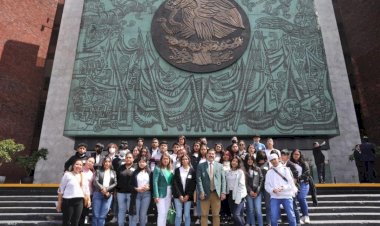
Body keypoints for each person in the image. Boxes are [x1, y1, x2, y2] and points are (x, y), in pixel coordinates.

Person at [265, 153, 297, 226]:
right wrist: (273, 190)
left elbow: (291, 184)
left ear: (278, 159)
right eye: (271, 160)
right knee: (273, 217)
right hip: (274, 197)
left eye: (274, 159)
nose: (273, 161)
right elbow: (266, 186)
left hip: (287, 196)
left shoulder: (286, 169)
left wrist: (283, 188)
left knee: (291, 216)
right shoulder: (269, 172)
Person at [196, 148, 226, 226]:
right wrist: (201, 192)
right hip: (205, 193)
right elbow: (199, 180)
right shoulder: (200, 166)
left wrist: (223, 192)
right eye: (209, 153)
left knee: (216, 215)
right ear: (206, 155)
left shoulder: (220, 166)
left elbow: (223, 180)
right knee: (204, 215)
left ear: (215, 155)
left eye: (213, 154)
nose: (211, 155)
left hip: (216, 194)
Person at [57, 159, 91, 226]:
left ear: (82, 167)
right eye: (77, 164)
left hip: (79, 201)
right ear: (73, 165)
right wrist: (59, 203)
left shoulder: (83, 175)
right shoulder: (67, 174)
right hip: (68, 201)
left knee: (75, 222)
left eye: (80, 165)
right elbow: (61, 190)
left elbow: (86, 189)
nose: (78, 166)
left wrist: (89, 199)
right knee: (66, 221)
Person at [92, 156, 118, 226]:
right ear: (103, 162)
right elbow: (95, 181)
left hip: (108, 195)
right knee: (96, 215)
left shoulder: (113, 172)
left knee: (102, 216)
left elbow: (115, 183)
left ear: (111, 163)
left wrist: (106, 189)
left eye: (109, 162)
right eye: (105, 161)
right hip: (98, 194)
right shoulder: (98, 170)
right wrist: (102, 188)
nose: (107, 163)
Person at [173, 154, 197, 226]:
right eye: (183, 159)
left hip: (188, 196)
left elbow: (193, 184)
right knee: (178, 215)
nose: (184, 160)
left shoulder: (192, 171)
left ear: (189, 160)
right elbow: (175, 184)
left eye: (186, 159)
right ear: (181, 161)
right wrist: (180, 195)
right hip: (178, 196)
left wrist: (188, 195)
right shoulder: (177, 170)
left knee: (187, 215)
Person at [129, 157, 152, 226]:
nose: (141, 163)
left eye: (143, 162)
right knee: (135, 214)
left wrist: (149, 187)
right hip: (137, 195)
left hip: (146, 195)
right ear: (138, 163)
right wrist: (136, 188)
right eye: (140, 162)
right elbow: (130, 184)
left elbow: (153, 184)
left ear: (146, 163)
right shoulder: (134, 172)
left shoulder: (150, 172)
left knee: (143, 215)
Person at [153, 152, 174, 226]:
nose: (165, 160)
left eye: (167, 159)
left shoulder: (170, 169)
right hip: (160, 193)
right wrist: (156, 195)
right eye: (164, 159)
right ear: (161, 160)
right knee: (161, 213)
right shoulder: (157, 168)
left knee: (165, 213)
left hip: (169, 193)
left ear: (169, 160)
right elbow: (155, 182)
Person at [280, 149, 301, 225]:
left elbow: (296, 176)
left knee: (294, 206)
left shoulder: (291, 164)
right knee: (289, 207)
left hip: (292, 189)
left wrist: (291, 186)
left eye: (284, 155)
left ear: (288, 156)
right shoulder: (281, 164)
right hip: (285, 189)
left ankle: (298, 222)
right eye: (281, 155)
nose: (282, 157)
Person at [290, 149, 311, 224]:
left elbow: (307, 173)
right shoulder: (290, 163)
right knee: (294, 200)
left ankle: (306, 216)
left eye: (297, 154)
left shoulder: (304, 163)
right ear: (292, 155)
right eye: (294, 154)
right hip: (294, 184)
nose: (296, 155)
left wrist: (298, 178)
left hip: (303, 183)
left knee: (301, 197)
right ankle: (300, 217)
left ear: (300, 155)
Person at [226, 156, 247, 226]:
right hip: (230, 194)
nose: (234, 162)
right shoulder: (228, 172)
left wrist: (238, 198)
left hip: (239, 195)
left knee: (236, 214)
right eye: (233, 161)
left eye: (236, 161)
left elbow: (241, 186)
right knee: (239, 215)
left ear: (238, 163)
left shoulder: (240, 172)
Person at [116, 152, 135, 226]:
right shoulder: (120, 167)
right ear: (125, 158)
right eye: (127, 157)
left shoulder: (136, 167)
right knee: (121, 210)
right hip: (121, 193)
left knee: (131, 211)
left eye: (130, 157)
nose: (128, 159)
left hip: (131, 193)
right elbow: (116, 179)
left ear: (133, 159)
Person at [244, 154, 264, 226]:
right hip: (249, 193)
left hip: (257, 193)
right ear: (246, 160)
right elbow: (244, 182)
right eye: (248, 159)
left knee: (258, 211)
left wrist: (257, 191)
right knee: (251, 210)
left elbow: (261, 180)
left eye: (251, 159)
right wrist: (250, 191)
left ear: (253, 160)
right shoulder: (244, 170)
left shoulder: (257, 169)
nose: (250, 161)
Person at [79, 157, 95, 225]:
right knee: (77, 213)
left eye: (92, 162)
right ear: (86, 161)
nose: (90, 163)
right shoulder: (79, 169)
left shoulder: (92, 173)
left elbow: (92, 185)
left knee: (84, 213)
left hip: (88, 196)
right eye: (89, 161)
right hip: (78, 194)